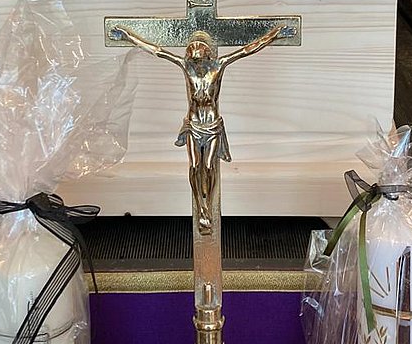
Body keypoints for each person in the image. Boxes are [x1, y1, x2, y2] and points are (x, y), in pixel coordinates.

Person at [110, 24, 286, 234]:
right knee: (195, 166)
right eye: (192, 52)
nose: (195, 56)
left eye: (199, 51)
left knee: (209, 167)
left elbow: (247, 50)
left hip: (212, 126)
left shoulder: (219, 66)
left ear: (207, 52)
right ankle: (202, 208)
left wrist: (274, 35)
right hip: (193, 125)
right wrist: (128, 37)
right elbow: (157, 51)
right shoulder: (186, 67)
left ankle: (207, 205)